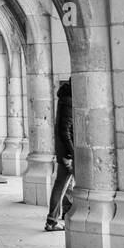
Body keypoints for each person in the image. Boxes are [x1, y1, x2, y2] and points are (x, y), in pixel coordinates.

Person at [45, 80, 75, 233]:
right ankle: (52, 220)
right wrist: (71, 153)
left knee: (65, 185)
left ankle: (63, 212)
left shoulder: (65, 99)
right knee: (62, 185)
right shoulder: (69, 102)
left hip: (63, 150)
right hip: (66, 152)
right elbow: (65, 130)